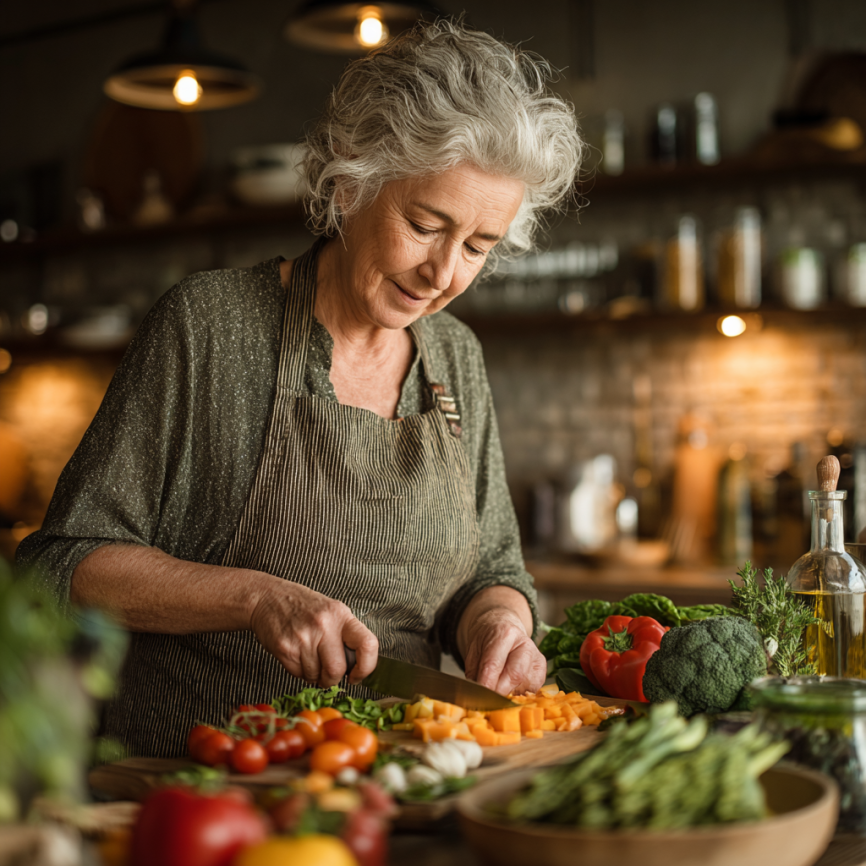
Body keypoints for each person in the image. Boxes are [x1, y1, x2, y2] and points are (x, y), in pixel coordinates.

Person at [17, 19, 584, 757]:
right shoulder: (211, 328)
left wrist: (500, 626)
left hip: (403, 783)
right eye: (423, 224)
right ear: (350, 182)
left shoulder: (457, 358)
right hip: (208, 786)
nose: (444, 274)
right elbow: (60, 565)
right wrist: (254, 598)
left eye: (478, 247)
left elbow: (494, 571)